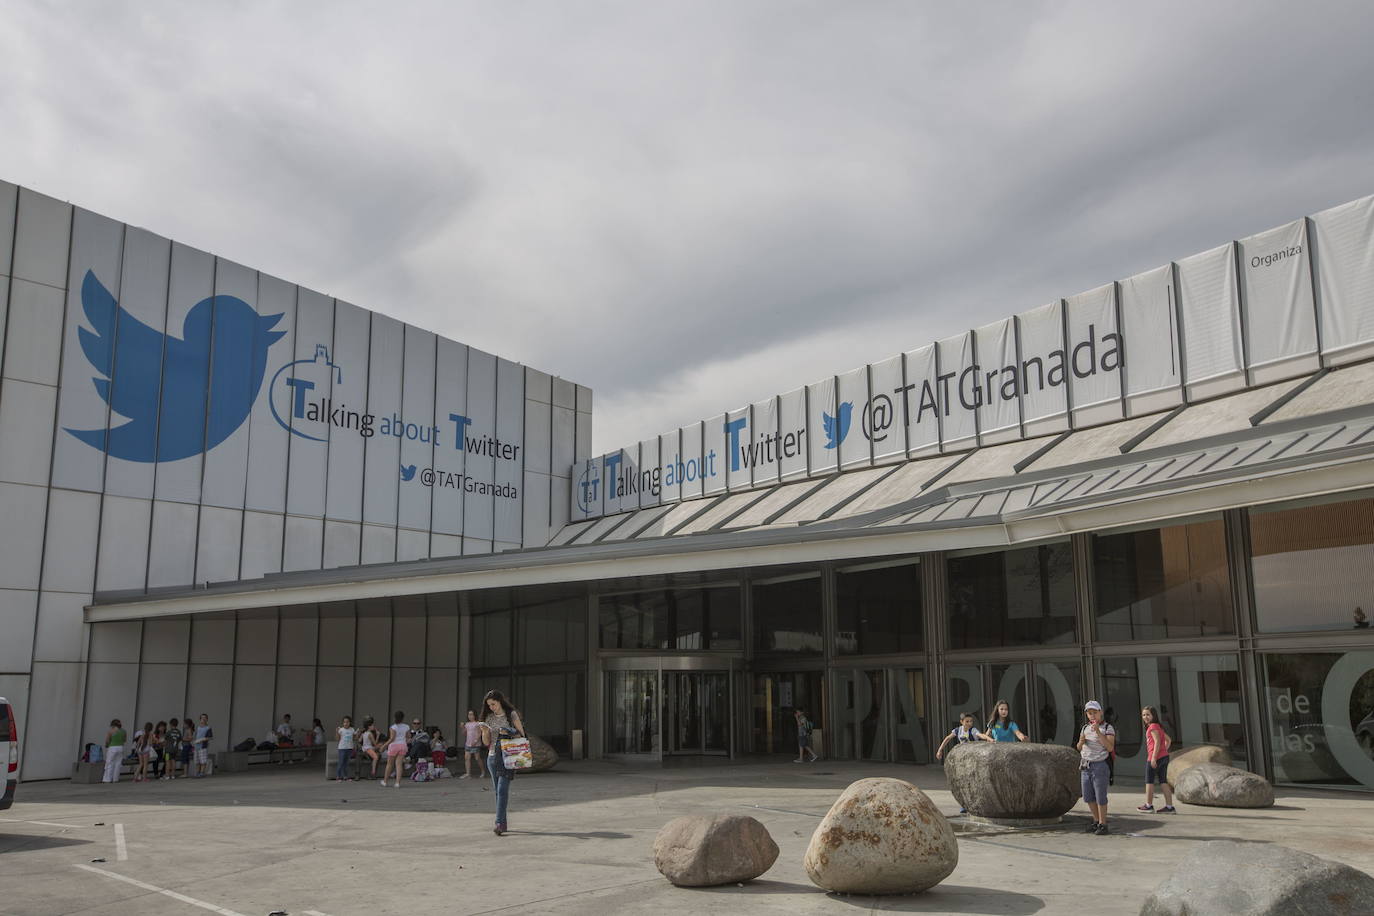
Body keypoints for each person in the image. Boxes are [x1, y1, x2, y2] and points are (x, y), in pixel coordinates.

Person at [480, 690, 524, 836]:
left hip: (507, 757)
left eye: (494, 704)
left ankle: (499, 823)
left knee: (502, 790)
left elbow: (521, 734)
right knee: (498, 792)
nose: (492, 707)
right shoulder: (488, 717)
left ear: (500, 701)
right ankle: (503, 823)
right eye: (489, 705)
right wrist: (485, 732)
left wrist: (508, 731)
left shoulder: (511, 714)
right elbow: (486, 743)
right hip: (492, 757)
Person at [1077, 700, 1116, 835]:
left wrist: (1099, 732)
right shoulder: (1084, 728)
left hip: (1100, 765)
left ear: (1101, 713)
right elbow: (1079, 747)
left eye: (1094, 712)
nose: (1092, 716)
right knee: (1088, 796)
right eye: (1089, 713)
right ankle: (1096, 820)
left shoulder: (1107, 728)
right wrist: (1081, 742)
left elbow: (1110, 747)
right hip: (1086, 764)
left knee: (1100, 796)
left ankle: (1103, 824)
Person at [935, 712, 983, 813]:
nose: (969, 723)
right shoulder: (958, 730)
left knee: (973, 782)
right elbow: (947, 738)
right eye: (967, 721)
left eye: (971, 721)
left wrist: (990, 739)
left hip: (973, 759)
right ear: (961, 722)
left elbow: (981, 735)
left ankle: (975, 804)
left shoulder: (973, 730)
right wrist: (940, 750)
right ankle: (964, 805)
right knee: (963, 782)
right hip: (963, 760)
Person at [1138, 707, 1176, 813]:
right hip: (1163, 757)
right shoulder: (1158, 726)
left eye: (1148, 714)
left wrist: (1154, 757)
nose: (1145, 717)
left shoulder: (1152, 727)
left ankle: (1148, 805)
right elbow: (1168, 740)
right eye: (1144, 715)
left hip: (1154, 758)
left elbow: (1157, 742)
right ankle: (1169, 807)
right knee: (1163, 781)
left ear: (1153, 716)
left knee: (1149, 781)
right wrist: (1164, 751)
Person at [379, 711, 410, 788]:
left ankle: (385, 781)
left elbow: (392, 739)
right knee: (399, 765)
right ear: (403, 718)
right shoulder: (406, 727)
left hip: (394, 746)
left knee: (389, 764)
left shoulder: (393, 727)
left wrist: (384, 746)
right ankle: (397, 783)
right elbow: (408, 736)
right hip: (403, 745)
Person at [462, 709, 486, 779]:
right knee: (467, 758)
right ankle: (468, 773)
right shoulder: (467, 724)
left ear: (474, 715)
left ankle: (483, 771)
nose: (470, 716)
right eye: (469, 714)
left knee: (477, 758)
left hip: (476, 744)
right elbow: (464, 733)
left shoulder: (477, 723)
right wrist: (462, 727)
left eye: (471, 714)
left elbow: (480, 733)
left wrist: (475, 741)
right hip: (468, 743)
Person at [102, 719, 126, 784]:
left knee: (109, 763)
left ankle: (107, 779)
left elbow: (107, 740)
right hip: (121, 747)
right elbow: (124, 740)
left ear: (112, 725)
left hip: (112, 748)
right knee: (118, 764)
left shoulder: (111, 731)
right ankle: (115, 779)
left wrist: (106, 745)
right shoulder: (123, 731)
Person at [334, 715, 356, 781]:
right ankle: (338, 776)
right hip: (342, 748)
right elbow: (337, 739)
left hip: (349, 748)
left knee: (346, 763)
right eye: (344, 722)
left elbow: (354, 738)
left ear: (350, 723)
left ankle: (345, 776)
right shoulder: (341, 730)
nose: (346, 723)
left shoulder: (352, 729)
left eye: (347, 722)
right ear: (343, 723)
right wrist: (336, 732)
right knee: (341, 762)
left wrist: (357, 733)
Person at [193, 713, 214, 777]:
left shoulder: (208, 728)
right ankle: (197, 773)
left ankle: (202, 773)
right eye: (202, 718)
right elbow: (195, 736)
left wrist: (202, 739)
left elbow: (210, 737)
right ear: (200, 719)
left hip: (203, 746)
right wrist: (194, 742)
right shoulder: (198, 727)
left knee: (203, 760)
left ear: (207, 719)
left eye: (205, 718)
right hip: (196, 746)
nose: (203, 719)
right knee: (197, 761)